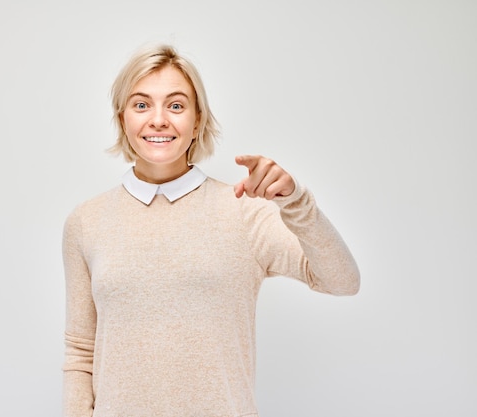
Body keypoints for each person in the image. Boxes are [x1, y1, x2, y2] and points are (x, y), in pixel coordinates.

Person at [62, 43, 360, 417]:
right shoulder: (86, 222)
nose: (158, 120)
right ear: (123, 118)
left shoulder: (244, 213)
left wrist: (295, 201)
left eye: (175, 105)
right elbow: (80, 351)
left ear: (197, 120)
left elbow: (342, 280)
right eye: (141, 105)